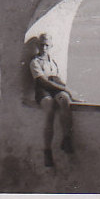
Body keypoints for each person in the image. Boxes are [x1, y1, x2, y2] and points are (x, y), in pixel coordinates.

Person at [29, 33, 78, 167]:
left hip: (54, 88)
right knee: (49, 108)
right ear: (38, 46)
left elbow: (57, 79)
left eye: (46, 45)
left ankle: (66, 138)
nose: (44, 48)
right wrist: (65, 88)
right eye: (41, 45)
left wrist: (68, 91)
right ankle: (47, 151)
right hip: (43, 90)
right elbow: (43, 81)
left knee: (65, 100)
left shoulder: (53, 62)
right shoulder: (35, 62)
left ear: (50, 46)